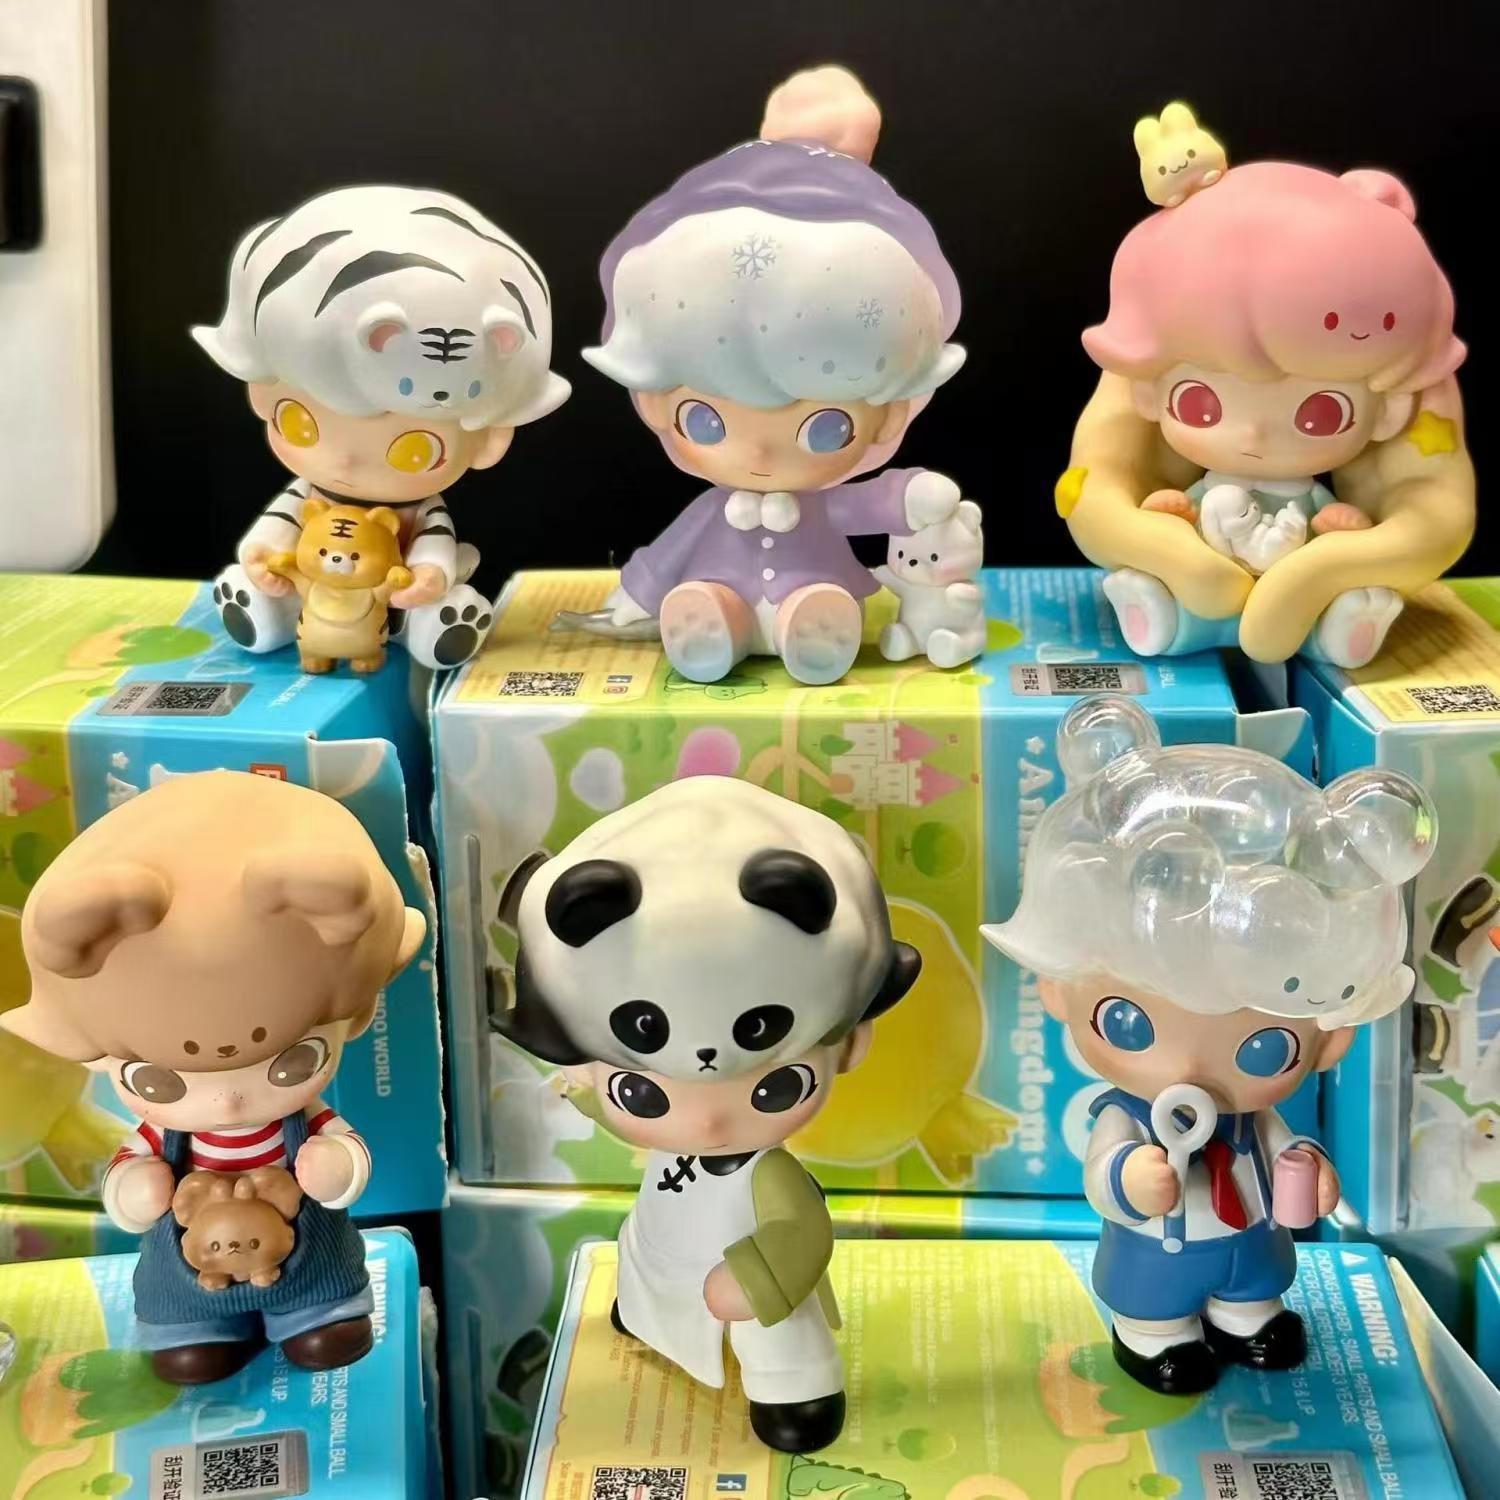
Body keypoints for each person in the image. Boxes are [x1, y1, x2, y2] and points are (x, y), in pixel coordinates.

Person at [982, 696, 1436, 1393]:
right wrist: (1130, 1179)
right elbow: (1104, 1174)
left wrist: (1310, 1170)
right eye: (1129, 1023)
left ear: (1331, 1039)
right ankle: (1152, 1334)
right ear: (1058, 991)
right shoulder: (1126, 1117)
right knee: (1155, 1303)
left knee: (1255, 1289)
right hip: (1156, 1258)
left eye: (1263, 1047)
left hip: (1251, 1250)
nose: (1189, 1069)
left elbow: (1285, 1150)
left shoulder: (1256, 1119)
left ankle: (1245, 1319)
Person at [493, 776, 920, 1450]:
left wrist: (758, 1277)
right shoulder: (596, 1064)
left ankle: (796, 1391)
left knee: (776, 1331)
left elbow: (802, 1232)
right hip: (660, 1246)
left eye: (774, 1089)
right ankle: (643, 1316)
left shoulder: (766, 1174)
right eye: (643, 1093)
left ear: (850, 1046)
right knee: (646, 1274)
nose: (707, 1123)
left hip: (748, 1282)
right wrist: (588, 1096)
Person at [1, 772, 426, 1383]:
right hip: (190, 1273)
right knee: (190, 1347)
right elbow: (129, 1178)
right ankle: (200, 1329)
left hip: (309, 1265)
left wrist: (335, 1169)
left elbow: (343, 1150)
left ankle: (316, 1317)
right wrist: (136, 1191)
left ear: (355, 1014)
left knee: (326, 1326)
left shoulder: (304, 1117)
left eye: (291, 1062)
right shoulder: (160, 1134)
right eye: (159, 1082)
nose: (226, 1100)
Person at [581, 66, 978, 684]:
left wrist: (910, 496)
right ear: (655, 402)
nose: (760, 453)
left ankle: (813, 626)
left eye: (825, 428)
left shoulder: (823, 503)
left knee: (815, 602)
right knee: (709, 598)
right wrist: (636, 597)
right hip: (719, 582)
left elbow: (867, 504)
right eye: (707, 421)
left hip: (814, 584)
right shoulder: (716, 508)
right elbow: (667, 553)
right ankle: (711, 622)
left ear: (890, 415)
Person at [1061, 139, 1470, 667]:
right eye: (1202, 405)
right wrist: (1171, 544)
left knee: (1337, 606)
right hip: (1202, 568)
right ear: (1149, 389)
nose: (1252, 435)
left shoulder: (1410, 380)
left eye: (1320, 414)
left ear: (1386, 409)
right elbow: (1095, 495)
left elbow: (1434, 517)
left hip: (1306, 565)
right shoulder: (1142, 358)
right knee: (1172, 595)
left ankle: (1339, 628)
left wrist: (1325, 563)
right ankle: (1164, 614)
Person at [194, 185, 569, 670]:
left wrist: (429, 577)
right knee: (279, 592)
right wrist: (263, 556)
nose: (345, 460)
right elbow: (278, 527)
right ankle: (268, 613)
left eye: (413, 449)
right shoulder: (309, 498)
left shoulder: (418, 512)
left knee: (426, 609)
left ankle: (432, 628)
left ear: (489, 439)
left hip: (390, 602)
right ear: (260, 394)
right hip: (313, 599)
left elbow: (433, 545)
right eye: (301, 423)